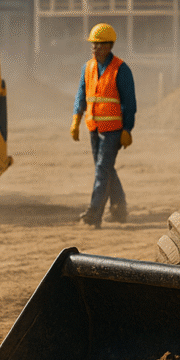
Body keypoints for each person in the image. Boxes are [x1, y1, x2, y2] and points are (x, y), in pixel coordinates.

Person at [71, 22, 136, 227]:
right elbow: (82, 94)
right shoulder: (88, 67)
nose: (94, 48)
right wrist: (76, 119)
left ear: (109, 46)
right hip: (94, 128)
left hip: (113, 131)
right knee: (106, 170)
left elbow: (129, 103)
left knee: (102, 170)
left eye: (99, 45)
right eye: (93, 44)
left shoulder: (121, 69)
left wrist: (127, 129)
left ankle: (93, 214)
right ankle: (119, 208)